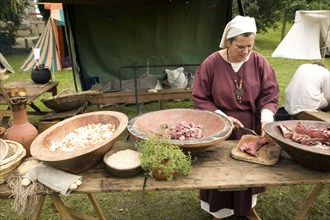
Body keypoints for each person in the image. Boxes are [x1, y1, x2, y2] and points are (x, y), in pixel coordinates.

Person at [192, 15, 280, 220]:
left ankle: (247, 208)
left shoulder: (259, 62)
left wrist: (266, 120)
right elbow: (200, 97)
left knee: (248, 169)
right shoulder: (211, 63)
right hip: (219, 128)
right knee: (219, 168)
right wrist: (222, 117)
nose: (246, 51)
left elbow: (270, 94)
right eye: (240, 46)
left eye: (250, 45)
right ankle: (219, 211)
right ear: (228, 42)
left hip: (249, 126)